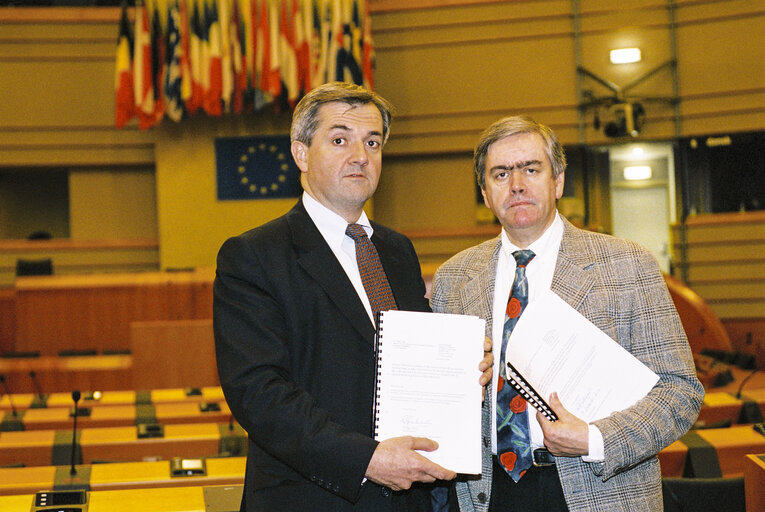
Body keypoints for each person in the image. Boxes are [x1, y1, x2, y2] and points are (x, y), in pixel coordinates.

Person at [214, 82, 492, 512]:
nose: (360, 155)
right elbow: (259, 392)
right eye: (340, 139)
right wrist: (367, 460)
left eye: (373, 141)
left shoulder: (397, 251)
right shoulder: (254, 255)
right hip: (312, 498)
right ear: (301, 153)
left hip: (409, 498)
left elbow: (411, 363)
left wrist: (463, 371)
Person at [430, 115, 704, 511]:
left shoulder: (627, 265)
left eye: (531, 169)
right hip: (489, 494)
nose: (517, 184)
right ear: (486, 194)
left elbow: (680, 391)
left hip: (599, 489)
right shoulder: (453, 279)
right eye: (501, 173)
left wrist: (596, 438)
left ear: (558, 181)